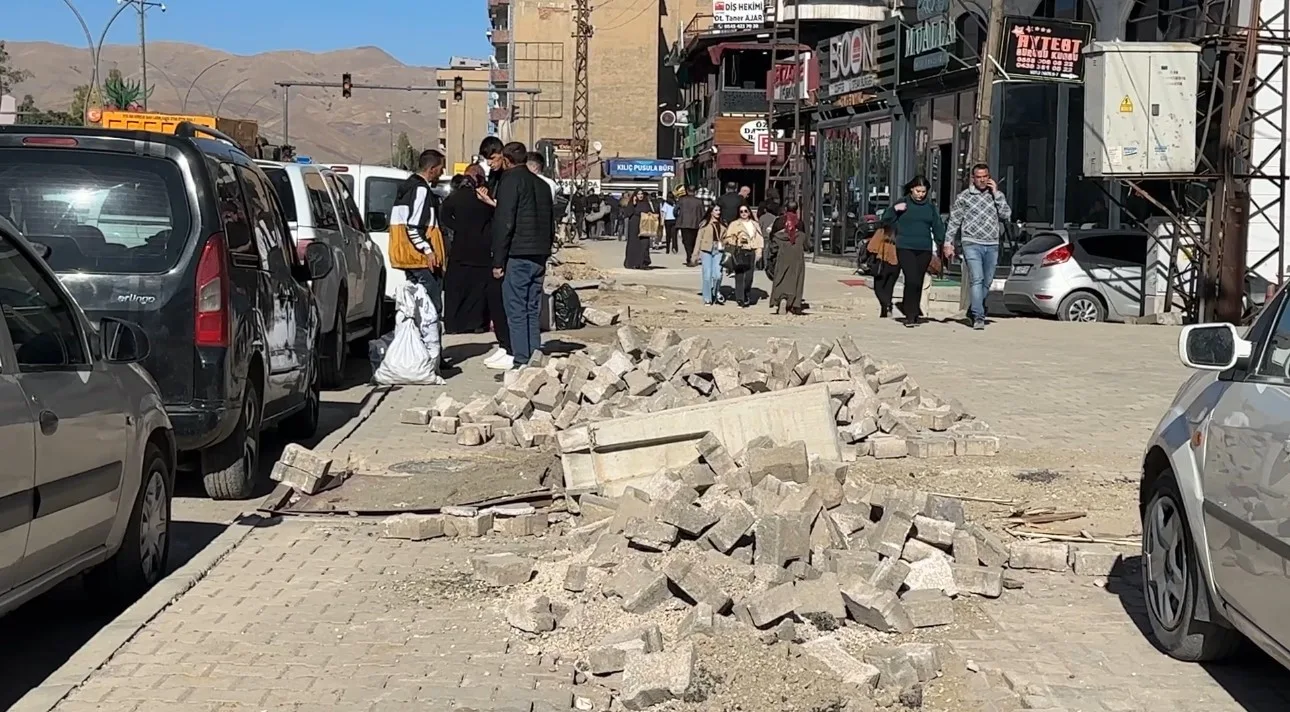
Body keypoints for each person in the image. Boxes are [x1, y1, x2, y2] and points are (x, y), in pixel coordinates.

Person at [492, 141, 555, 368]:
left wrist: (498, 260)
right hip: (539, 253)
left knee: (516, 309)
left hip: (517, 254)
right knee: (531, 308)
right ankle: (534, 356)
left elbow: (505, 222)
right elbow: (550, 221)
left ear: (507, 160)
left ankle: (521, 360)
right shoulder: (542, 185)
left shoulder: (510, 181)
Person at [390, 149, 450, 364]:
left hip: (410, 258)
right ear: (431, 169)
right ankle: (431, 357)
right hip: (421, 260)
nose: (442, 173)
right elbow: (413, 227)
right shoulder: (421, 190)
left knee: (416, 307)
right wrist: (429, 251)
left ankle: (417, 354)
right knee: (431, 308)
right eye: (440, 169)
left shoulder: (407, 188)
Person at [878, 175, 951, 327]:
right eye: (918, 191)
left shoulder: (930, 208)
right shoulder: (903, 204)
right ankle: (910, 314)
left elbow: (938, 227)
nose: (920, 194)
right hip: (905, 247)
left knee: (918, 281)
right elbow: (887, 218)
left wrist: (942, 243)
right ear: (911, 189)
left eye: (923, 191)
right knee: (910, 279)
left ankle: (915, 312)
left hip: (923, 248)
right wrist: (895, 212)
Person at [945, 163, 1012, 330]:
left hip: (992, 243)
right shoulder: (964, 197)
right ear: (973, 178)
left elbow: (1006, 214)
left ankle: (973, 309)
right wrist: (948, 242)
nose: (982, 180)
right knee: (977, 279)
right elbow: (954, 220)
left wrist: (996, 193)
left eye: (985, 177)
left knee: (987, 281)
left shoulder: (997, 195)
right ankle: (978, 316)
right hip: (971, 242)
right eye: (979, 177)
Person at [768, 200, 807, 315]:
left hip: (782, 253)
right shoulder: (800, 223)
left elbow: (773, 239)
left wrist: (772, 253)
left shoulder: (779, 221)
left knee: (780, 276)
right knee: (796, 278)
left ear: (785, 209)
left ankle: (781, 298)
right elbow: (804, 241)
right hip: (796, 255)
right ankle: (793, 303)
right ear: (797, 209)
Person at [722, 203, 764, 308]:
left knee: (749, 277)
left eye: (745, 211)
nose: (743, 213)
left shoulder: (755, 224)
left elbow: (759, 238)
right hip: (739, 251)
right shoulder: (734, 224)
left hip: (751, 251)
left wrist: (759, 251)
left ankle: (746, 294)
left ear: (749, 212)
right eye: (741, 211)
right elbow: (728, 238)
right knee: (739, 276)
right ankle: (740, 299)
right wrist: (737, 240)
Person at [696, 204, 724, 305]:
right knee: (707, 275)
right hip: (706, 250)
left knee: (718, 275)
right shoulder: (705, 224)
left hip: (719, 250)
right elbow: (699, 239)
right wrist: (696, 254)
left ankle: (715, 293)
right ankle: (707, 298)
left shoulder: (723, 224)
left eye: (719, 210)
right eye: (716, 210)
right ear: (711, 212)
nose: (718, 212)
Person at [624, 190, 656, 269]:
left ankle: (643, 263)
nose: (640, 195)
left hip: (644, 226)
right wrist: (633, 204)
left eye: (641, 194)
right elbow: (628, 213)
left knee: (645, 244)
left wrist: (650, 213)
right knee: (634, 244)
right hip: (634, 225)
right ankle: (633, 263)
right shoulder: (632, 203)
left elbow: (650, 211)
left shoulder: (646, 203)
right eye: (638, 194)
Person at [674, 186, 705, 267]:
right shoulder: (699, 201)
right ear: (695, 192)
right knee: (694, 241)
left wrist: (678, 217)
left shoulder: (682, 200)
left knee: (686, 241)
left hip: (684, 223)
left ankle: (689, 256)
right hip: (696, 224)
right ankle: (693, 257)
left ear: (687, 191)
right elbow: (703, 213)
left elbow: (675, 210)